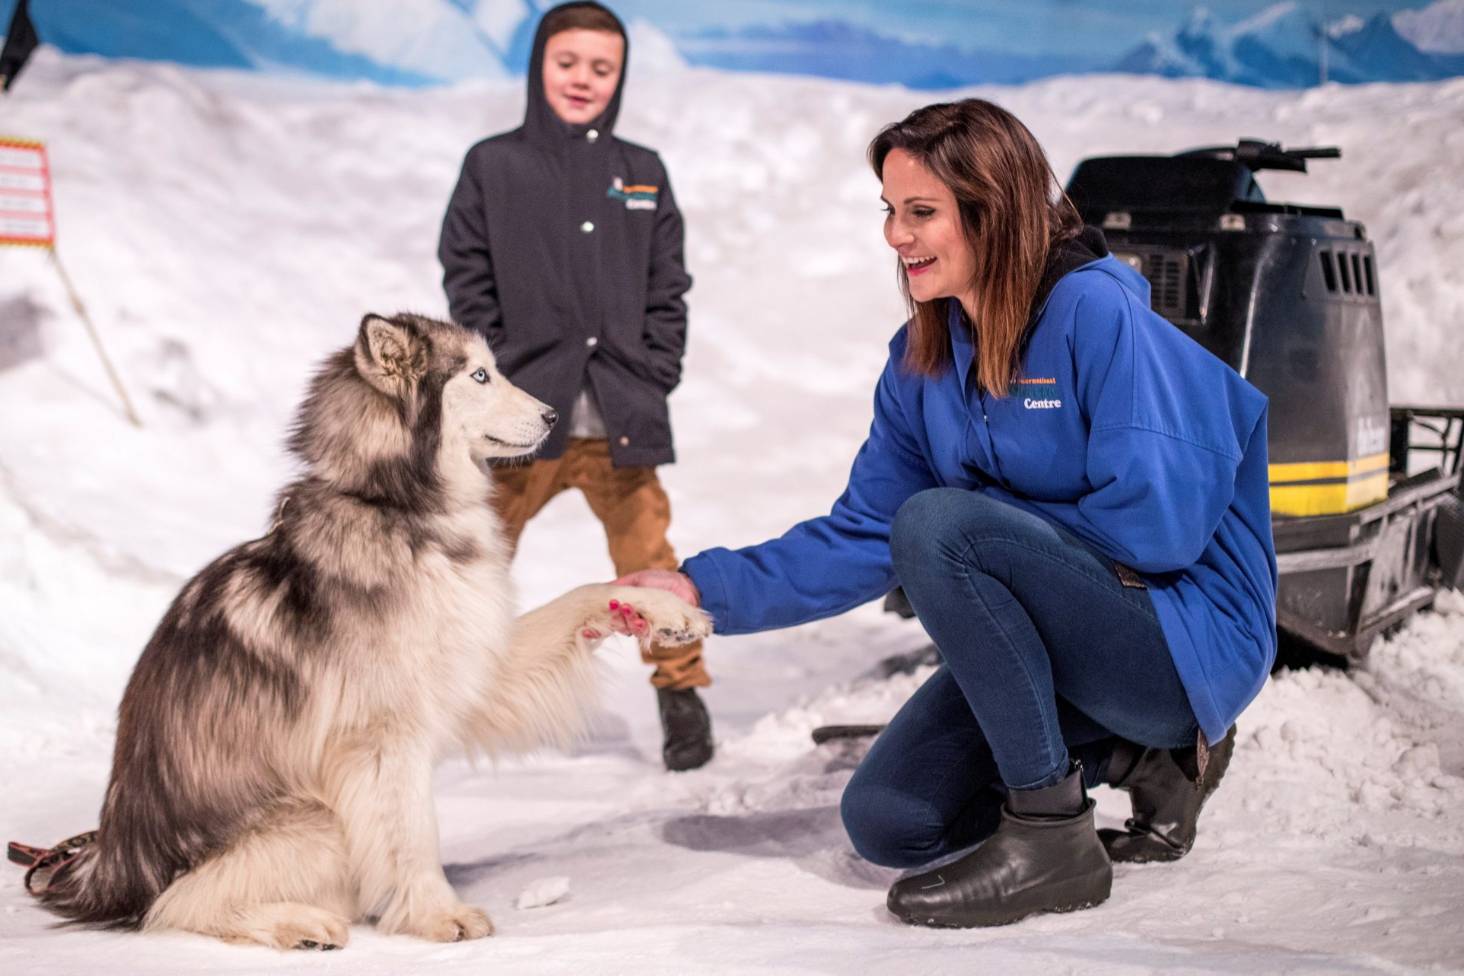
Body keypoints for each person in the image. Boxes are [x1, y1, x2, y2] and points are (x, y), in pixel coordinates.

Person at [619, 99, 1277, 926]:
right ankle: (1142, 760)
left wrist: (978, 524)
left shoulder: (1094, 313)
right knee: (890, 821)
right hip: (1069, 637)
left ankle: (1051, 838)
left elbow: (1158, 529)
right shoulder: (921, 357)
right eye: (890, 210)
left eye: (921, 212)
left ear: (992, 212)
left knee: (939, 525)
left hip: (1181, 641)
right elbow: (867, 532)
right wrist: (698, 590)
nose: (896, 236)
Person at [439, 1, 712, 771]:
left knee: (651, 557)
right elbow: (465, 274)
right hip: (521, 423)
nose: (583, 79)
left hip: (619, 420)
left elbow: (669, 284)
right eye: (568, 64)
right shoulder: (494, 165)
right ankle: (449, 691)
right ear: (539, 68)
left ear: (620, 77)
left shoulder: (642, 171)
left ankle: (681, 691)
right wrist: (501, 375)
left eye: (602, 67)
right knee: (476, 559)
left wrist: (657, 367)